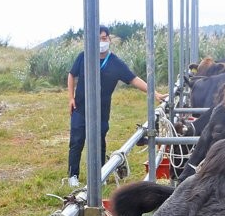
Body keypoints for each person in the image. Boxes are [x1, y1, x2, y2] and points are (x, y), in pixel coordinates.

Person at [66, 25, 165, 186]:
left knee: (99, 142)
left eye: (104, 38)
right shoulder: (84, 57)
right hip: (80, 108)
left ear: (109, 40)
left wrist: (155, 93)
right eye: (97, 39)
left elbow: (134, 79)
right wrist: (71, 98)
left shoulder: (115, 63)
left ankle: (99, 175)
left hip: (101, 111)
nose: (101, 42)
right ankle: (73, 176)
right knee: (77, 141)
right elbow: (71, 75)